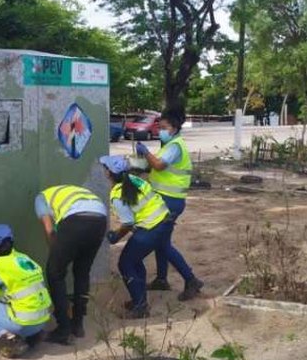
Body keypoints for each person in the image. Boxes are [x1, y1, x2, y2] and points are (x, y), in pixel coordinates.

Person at [101, 155, 200, 318]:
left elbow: (128, 223)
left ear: (109, 173)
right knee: (138, 259)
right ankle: (142, 298)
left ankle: (140, 306)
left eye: (105, 169)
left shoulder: (118, 194)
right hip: (164, 221)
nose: (104, 171)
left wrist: (115, 237)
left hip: (151, 228)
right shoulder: (133, 179)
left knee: (126, 263)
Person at [135, 108, 204, 300]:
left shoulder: (175, 146)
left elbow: (159, 165)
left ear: (174, 128)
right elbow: (154, 166)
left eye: (164, 127)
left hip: (170, 202)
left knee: (162, 243)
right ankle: (162, 279)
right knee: (162, 242)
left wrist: (146, 152)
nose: (160, 131)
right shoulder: (169, 145)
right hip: (165, 200)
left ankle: (191, 280)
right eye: (159, 127)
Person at [35, 185, 107, 344]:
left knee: (54, 272)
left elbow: (49, 230)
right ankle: (78, 323)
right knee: (82, 271)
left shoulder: (41, 198)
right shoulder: (70, 191)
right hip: (100, 219)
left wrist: (56, 255)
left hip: (76, 220)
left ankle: (63, 330)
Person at [0, 224, 52, 358]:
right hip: (43, 319)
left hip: (25, 325)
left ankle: (14, 340)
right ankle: (35, 335)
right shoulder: (24, 258)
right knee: (16, 299)